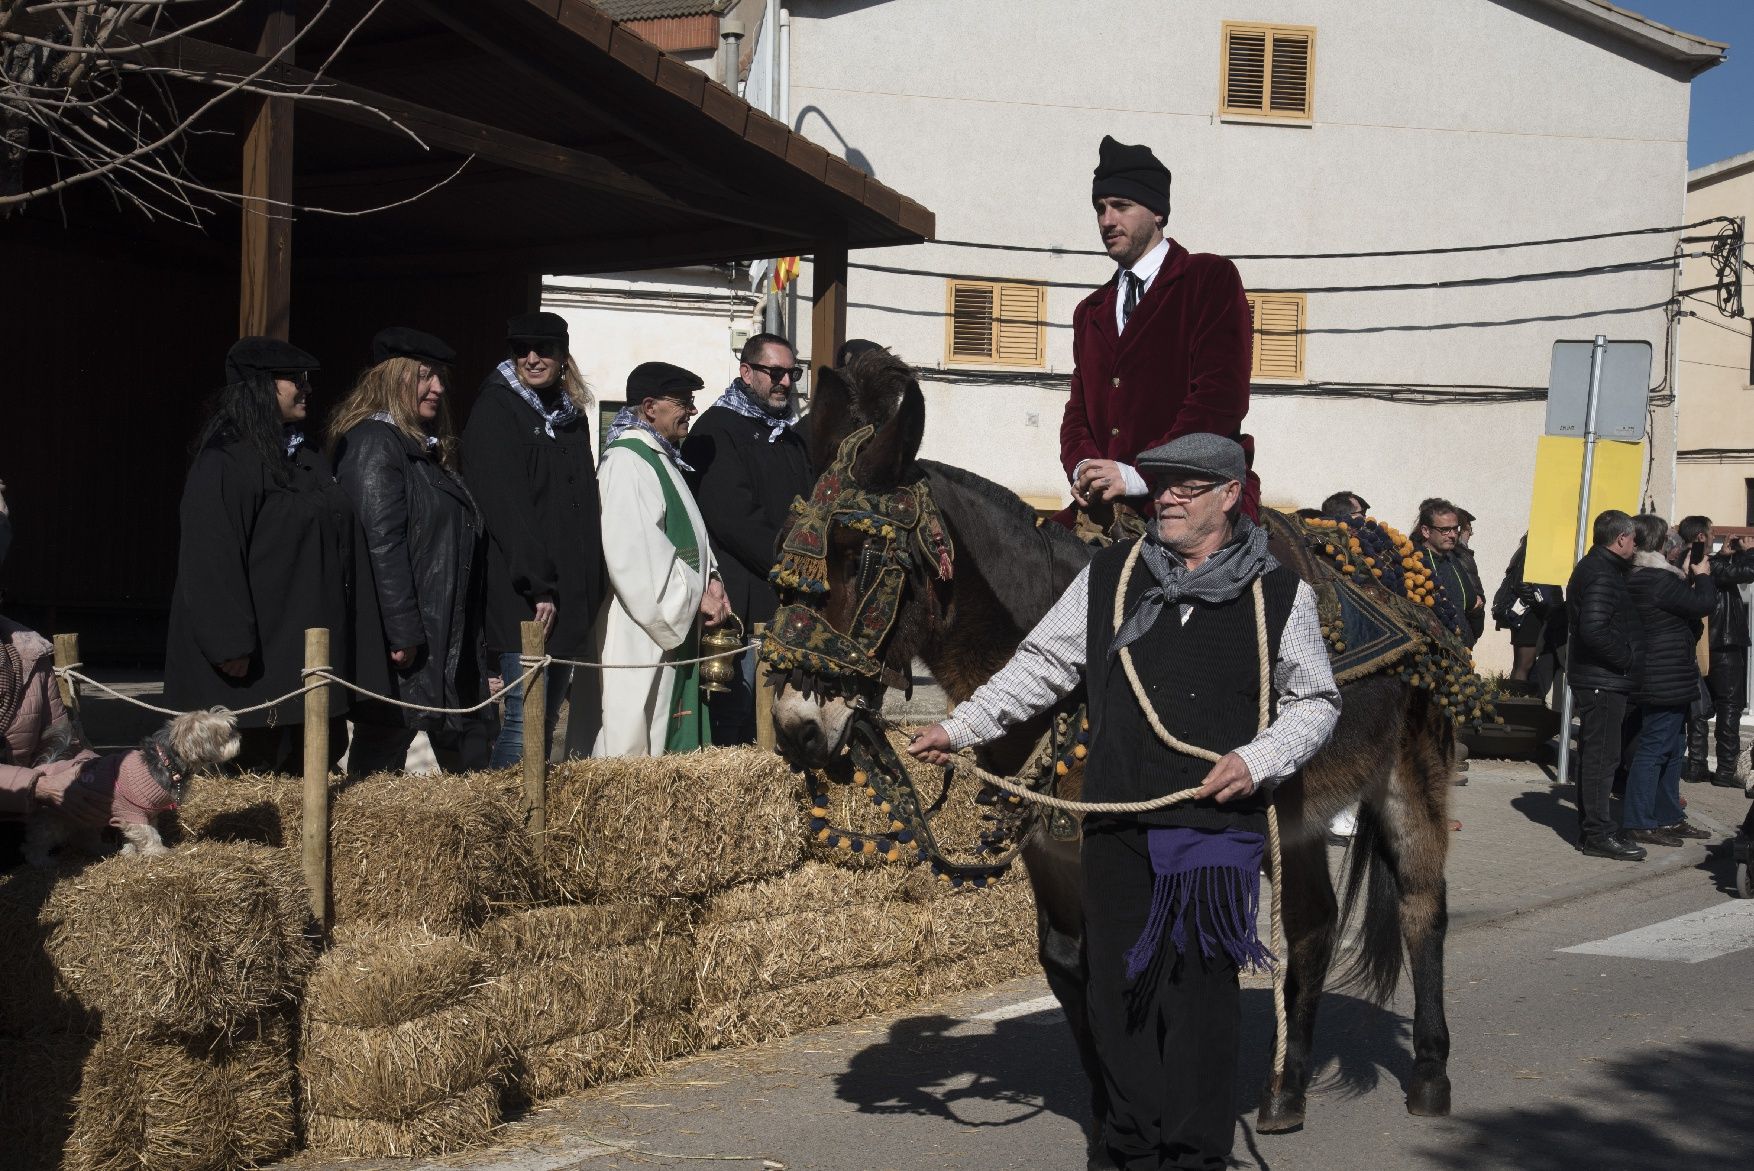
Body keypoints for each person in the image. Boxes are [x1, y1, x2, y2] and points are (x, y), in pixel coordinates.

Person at [907, 433, 1339, 1171]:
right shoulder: (1111, 576)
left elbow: (1315, 700)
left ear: (1230, 496)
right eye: (1161, 483)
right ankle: (1130, 1148)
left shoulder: (1278, 596)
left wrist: (1258, 758)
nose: (1166, 495)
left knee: (1198, 1004)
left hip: (1211, 828)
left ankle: (1194, 1154)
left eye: (1186, 486)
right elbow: (1042, 665)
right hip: (1116, 820)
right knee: (1117, 996)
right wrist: (959, 725)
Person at [163, 337, 359, 773]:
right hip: (253, 663)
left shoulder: (305, 458)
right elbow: (210, 556)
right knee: (256, 769)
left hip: (302, 652)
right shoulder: (225, 462)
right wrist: (228, 641)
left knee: (314, 766)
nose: (307, 389)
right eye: (296, 380)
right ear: (260, 386)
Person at [1060, 136, 1257, 526]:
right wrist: (1084, 465)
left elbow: (1220, 398)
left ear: (1158, 213)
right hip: (1104, 505)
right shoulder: (1090, 310)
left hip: (1194, 497)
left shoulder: (1208, 279)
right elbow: (1077, 411)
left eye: (1121, 206)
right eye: (1100, 208)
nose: (1106, 220)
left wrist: (1138, 473)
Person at [329, 327, 489, 775]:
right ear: (392, 378)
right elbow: (381, 542)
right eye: (424, 376)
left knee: (463, 753)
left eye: (439, 377)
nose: (437, 387)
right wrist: (402, 632)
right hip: (411, 637)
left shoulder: (419, 448)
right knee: (385, 742)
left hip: (439, 630)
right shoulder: (375, 444)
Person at [462, 312, 603, 767]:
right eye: (522, 349)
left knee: (546, 728)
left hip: (568, 595)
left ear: (563, 355)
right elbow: (506, 506)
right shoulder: (497, 410)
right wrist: (538, 584)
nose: (532, 358)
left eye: (543, 349)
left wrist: (590, 581)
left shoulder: (569, 414)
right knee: (525, 726)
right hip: (528, 598)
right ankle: (507, 832)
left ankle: (534, 828)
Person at [680, 333, 813, 743]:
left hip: (786, 601)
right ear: (746, 372)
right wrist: (795, 565)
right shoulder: (718, 429)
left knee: (779, 719)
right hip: (742, 601)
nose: (785, 383)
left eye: (792, 373)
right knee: (737, 719)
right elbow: (733, 519)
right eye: (775, 372)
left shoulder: (787, 434)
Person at [593, 362, 731, 757]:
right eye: (683, 402)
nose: (691, 410)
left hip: (671, 622)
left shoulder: (662, 458)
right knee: (637, 738)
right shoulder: (627, 460)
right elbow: (634, 552)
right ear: (650, 407)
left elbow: (691, 534)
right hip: (643, 630)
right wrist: (693, 595)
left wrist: (713, 579)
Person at [1621, 517, 1715, 847]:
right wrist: (1701, 577)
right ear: (1660, 544)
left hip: (1667, 673)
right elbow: (1704, 604)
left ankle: (1668, 816)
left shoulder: (1648, 577)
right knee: (1654, 748)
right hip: (1663, 675)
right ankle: (1639, 820)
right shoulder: (1656, 579)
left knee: (1673, 747)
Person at [1564, 510, 1646, 861]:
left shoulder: (1601, 568)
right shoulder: (1600, 573)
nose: (1636, 546)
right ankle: (1598, 834)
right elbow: (1594, 630)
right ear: (1622, 539)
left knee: (1597, 757)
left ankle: (1594, 831)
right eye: (1633, 539)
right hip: (1602, 679)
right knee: (1600, 759)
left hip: (1601, 677)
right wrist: (1627, 657)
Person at [1, 614, 107, 867]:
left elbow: (60, 742)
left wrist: (95, 774)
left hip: (19, 813)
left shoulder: (28, 653)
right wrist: (38, 786)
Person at [1675, 516, 1754, 787]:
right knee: (1729, 704)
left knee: (1698, 705)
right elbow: (1744, 573)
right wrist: (1749, 552)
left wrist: (1723, 554)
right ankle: (1726, 769)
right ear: (1700, 537)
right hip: (1723, 642)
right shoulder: (1705, 564)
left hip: (1697, 644)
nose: (1713, 536)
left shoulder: (1681, 560)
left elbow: (1721, 570)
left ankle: (1696, 764)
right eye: (1710, 533)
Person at [1492, 534, 1566, 690]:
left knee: (1522, 664)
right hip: (1529, 617)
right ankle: (1516, 703)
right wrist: (1547, 606)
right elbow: (1530, 589)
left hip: (1526, 616)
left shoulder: (1523, 554)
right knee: (1524, 665)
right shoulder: (1533, 557)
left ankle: (1515, 699)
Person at [1415, 498, 1485, 647]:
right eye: (1445, 530)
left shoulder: (1455, 559)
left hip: (1461, 649)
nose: (1453, 535)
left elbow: (1474, 603)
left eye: (1455, 529)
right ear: (1426, 531)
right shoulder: (1414, 562)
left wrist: (1470, 636)